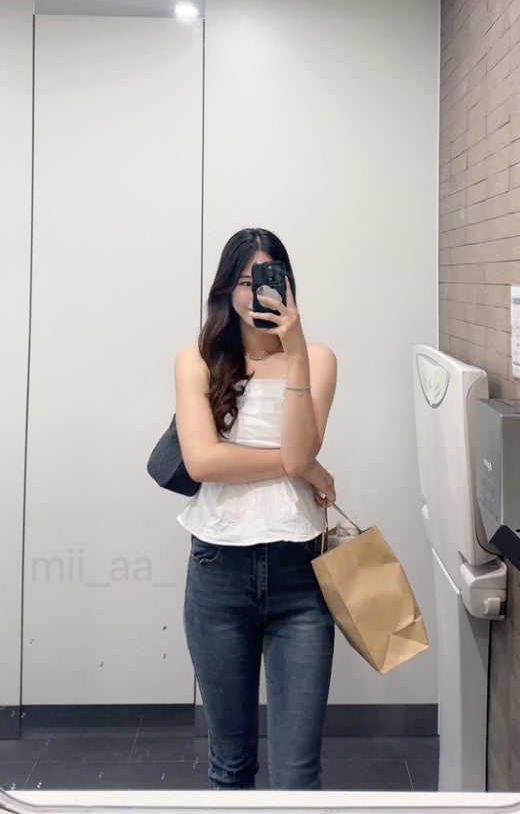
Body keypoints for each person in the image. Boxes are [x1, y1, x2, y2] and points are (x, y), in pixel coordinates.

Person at [174, 227, 337, 790]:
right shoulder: (197, 361)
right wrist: (301, 467)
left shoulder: (317, 358)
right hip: (218, 570)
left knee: (298, 774)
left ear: (287, 284)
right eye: (245, 281)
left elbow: (299, 451)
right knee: (231, 763)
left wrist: (296, 352)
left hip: (300, 574)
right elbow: (202, 462)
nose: (256, 292)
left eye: (268, 278)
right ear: (227, 289)